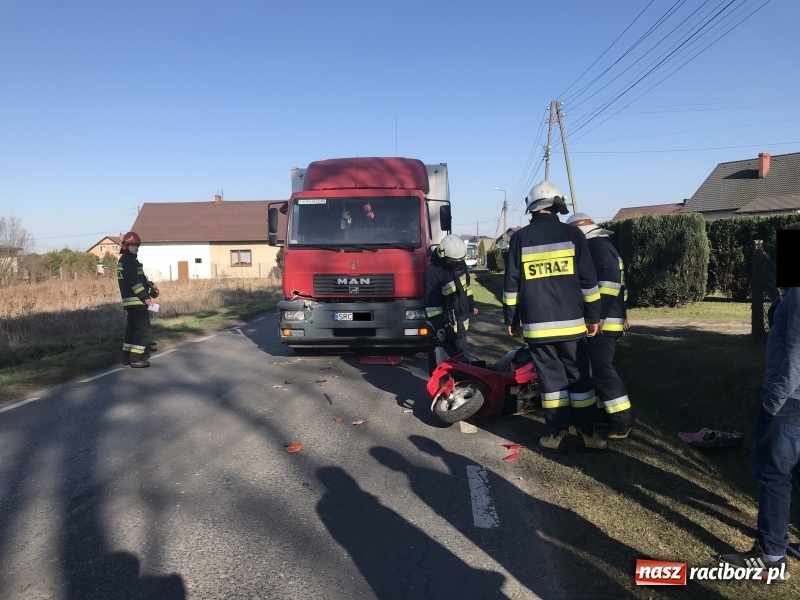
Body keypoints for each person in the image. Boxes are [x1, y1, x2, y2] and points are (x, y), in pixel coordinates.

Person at [503, 181, 605, 452]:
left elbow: (511, 285)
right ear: (556, 205)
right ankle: (588, 434)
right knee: (580, 378)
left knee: (551, 382)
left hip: (537, 328)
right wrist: (593, 317)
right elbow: (588, 282)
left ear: (532, 207)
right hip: (572, 326)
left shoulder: (520, 239)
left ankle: (557, 435)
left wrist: (511, 320)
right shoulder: (573, 235)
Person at [719, 249, 800, 574]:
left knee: (774, 473)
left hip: (789, 401)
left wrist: (773, 402)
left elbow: (796, 356)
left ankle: (770, 554)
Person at [566, 212, 635, 440]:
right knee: (595, 369)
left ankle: (622, 421)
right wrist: (622, 314)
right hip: (608, 319)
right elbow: (621, 288)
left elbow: (609, 285)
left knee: (602, 369)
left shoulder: (598, 248)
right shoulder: (604, 247)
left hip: (603, 323)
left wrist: (599, 316)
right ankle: (605, 414)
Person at [424, 234, 478, 375]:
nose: (456, 263)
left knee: (462, 359)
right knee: (438, 361)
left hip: (459, 323)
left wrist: (471, 305)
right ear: (443, 254)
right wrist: (439, 328)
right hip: (441, 325)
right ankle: (438, 386)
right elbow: (432, 305)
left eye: (458, 260)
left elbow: (466, 288)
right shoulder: (433, 272)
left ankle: (462, 384)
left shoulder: (460, 265)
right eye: (452, 261)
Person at [117, 231, 156, 368]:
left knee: (132, 329)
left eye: (137, 245)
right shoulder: (128, 261)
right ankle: (136, 359)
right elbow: (135, 282)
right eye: (133, 245)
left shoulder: (127, 260)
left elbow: (139, 279)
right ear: (126, 246)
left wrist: (150, 288)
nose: (136, 248)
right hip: (137, 301)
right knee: (144, 329)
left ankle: (126, 357)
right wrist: (145, 298)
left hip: (131, 301)